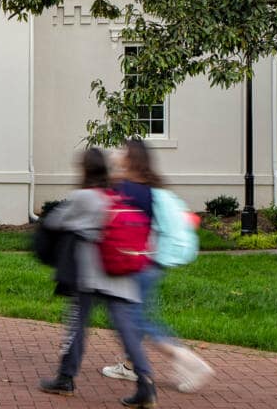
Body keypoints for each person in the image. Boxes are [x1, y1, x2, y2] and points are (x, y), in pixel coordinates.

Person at [39, 147, 156, 408]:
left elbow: (56, 221)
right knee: (125, 330)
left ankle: (65, 378)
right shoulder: (115, 194)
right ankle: (145, 383)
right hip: (120, 272)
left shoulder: (83, 197)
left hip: (90, 273)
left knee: (77, 325)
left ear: (84, 169)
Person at [102, 138, 214, 394]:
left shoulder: (128, 189)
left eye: (121, 151)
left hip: (137, 261)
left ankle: (189, 361)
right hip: (152, 261)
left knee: (133, 319)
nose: (116, 154)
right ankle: (130, 365)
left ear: (130, 158)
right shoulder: (150, 188)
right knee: (134, 314)